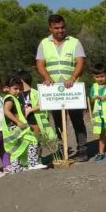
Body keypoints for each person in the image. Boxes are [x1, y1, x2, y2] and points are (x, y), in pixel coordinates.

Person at [36, 14, 88, 161]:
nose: (60, 30)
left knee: (77, 120)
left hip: (72, 89)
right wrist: (47, 77)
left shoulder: (74, 42)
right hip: (53, 90)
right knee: (58, 122)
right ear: (50, 28)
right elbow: (40, 64)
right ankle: (61, 149)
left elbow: (80, 62)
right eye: (56, 28)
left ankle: (83, 150)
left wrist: (72, 78)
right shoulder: (44, 43)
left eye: (62, 27)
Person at [3, 77, 46, 173]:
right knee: (33, 140)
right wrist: (18, 121)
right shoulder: (10, 99)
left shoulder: (14, 98)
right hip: (15, 127)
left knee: (16, 147)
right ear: (7, 88)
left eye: (19, 89)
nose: (18, 91)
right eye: (15, 89)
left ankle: (16, 167)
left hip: (12, 128)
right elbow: (6, 111)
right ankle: (32, 163)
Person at [15, 71, 57, 145]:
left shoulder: (35, 92)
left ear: (22, 80)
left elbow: (42, 104)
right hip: (23, 121)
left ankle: (37, 151)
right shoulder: (18, 93)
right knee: (25, 142)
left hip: (35, 121)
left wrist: (30, 110)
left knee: (36, 141)